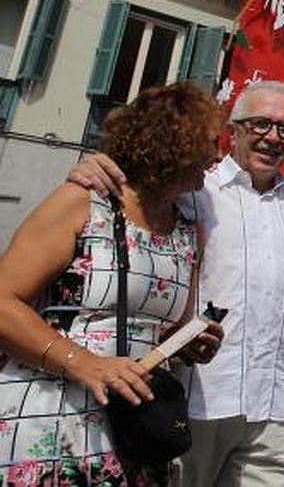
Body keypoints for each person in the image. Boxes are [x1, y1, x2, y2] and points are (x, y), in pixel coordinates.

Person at [66, 80, 284, 486]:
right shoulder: (193, 189)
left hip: (273, 408)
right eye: (261, 124)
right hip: (195, 402)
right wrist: (94, 167)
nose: (273, 137)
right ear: (234, 128)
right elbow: (132, 195)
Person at [0, 82, 225, 483]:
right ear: (178, 142)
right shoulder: (84, 201)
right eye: (211, 141)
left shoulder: (188, 230)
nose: (218, 154)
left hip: (131, 432)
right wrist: (83, 363)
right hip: (53, 418)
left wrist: (185, 343)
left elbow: (155, 329)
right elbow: (3, 301)